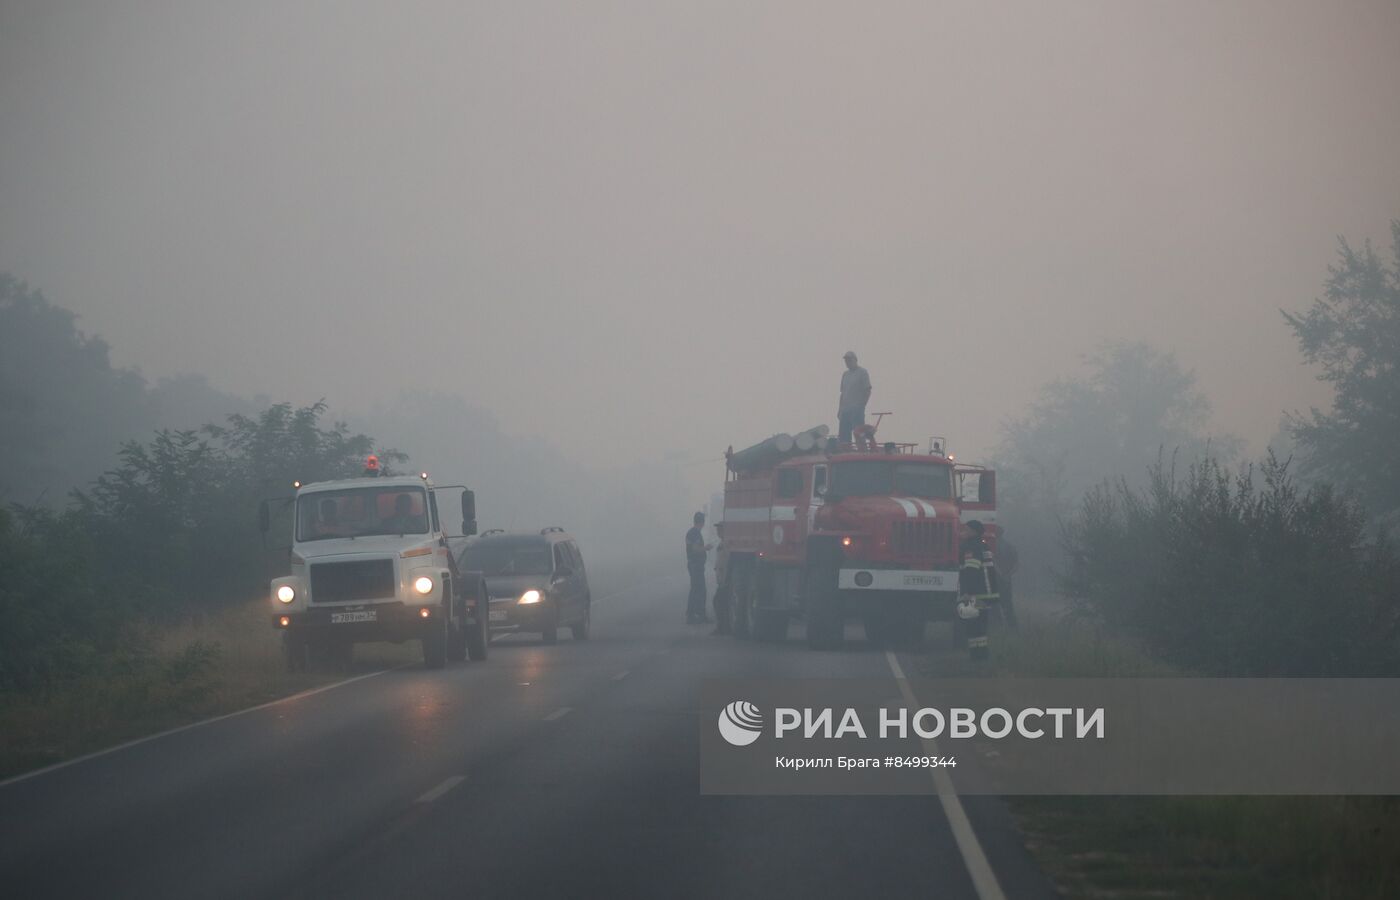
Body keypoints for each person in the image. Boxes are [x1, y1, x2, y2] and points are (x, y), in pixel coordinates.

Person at [957, 519, 1000, 661]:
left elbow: (971, 571)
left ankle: (977, 657)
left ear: (974, 532)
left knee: (974, 626)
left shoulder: (971, 547)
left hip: (977, 594)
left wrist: (967, 593)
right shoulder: (982, 545)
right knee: (979, 626)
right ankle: (980, 657)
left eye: (966, 530)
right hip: (986, 593)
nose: (963, 533)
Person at [837, 351, 872, 444]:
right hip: (845, 409)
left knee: (858, 432)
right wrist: (840, 409)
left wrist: (862, 405)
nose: (847, 362)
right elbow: (842, 393)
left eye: (849, 359)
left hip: (857, 408)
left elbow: (867, 390)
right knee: (844, 435)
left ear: (855, 360)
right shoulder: (845, 375)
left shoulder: (862, 372)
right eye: (846, 360)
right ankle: (845, 450)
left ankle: (862, 450)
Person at [685, 511, 713, 624]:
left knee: (695, 589)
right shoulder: (695, 533)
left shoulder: (691, 532)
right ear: (702, 522)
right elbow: (695, 549)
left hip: (694, 565)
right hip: (696, 565)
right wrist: (706, 548)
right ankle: (698, 614)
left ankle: (692, 613)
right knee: (700, 590)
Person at [711, 522, 732, 635]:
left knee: (719, 602)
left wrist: (725, 579)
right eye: (718, 529)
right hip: (721, 579)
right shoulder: (722, 543)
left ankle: (723, 627)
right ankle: (723, 627)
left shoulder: (727, 544)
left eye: (720, 529)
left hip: (725, 580)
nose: (718, 531)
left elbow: (727, 563)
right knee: (720, 602)